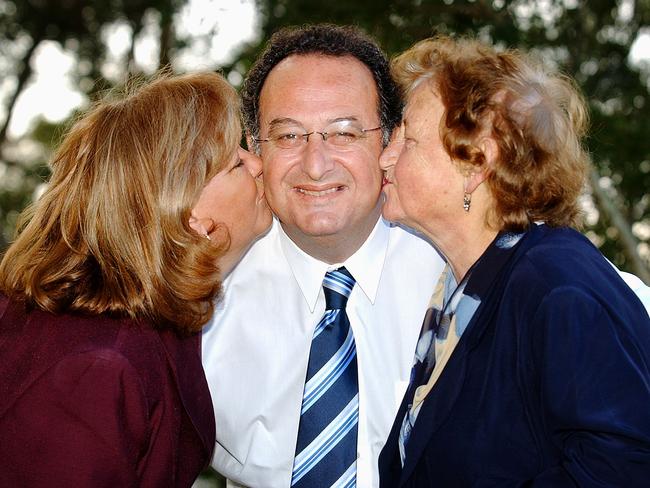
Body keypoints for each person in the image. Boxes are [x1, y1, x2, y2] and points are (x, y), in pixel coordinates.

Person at [378, 36, 650, 486]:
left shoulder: (557, 287)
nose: (386, 156)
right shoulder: (461, 292)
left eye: (408, 137)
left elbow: (625, 465)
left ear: (477, 164)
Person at [201, 24, 446, 487]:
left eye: (345, 134)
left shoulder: (455, 266)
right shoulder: (206, 289)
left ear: (389, 142)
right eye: (289, 137)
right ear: (255, 150)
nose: (315, 164)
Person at [0, 71, 272, 487]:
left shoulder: (134, 321)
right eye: (236, 161)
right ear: (188, 214)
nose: (257, 163)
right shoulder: (99, 369)